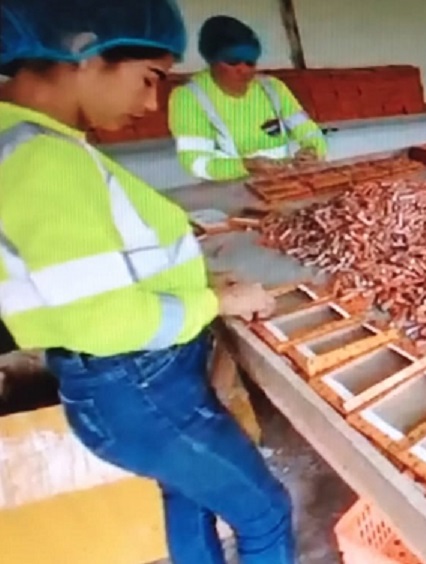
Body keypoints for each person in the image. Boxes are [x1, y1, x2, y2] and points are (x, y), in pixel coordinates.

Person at [0, 1, 296, 562]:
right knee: (266, 513)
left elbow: (97, 269)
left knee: (187, 496)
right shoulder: (41, 158)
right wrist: (215, 301)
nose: (149, 102)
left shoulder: (29, 141)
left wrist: (195, 280)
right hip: (138, 387)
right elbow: (105, 320)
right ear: (83, 53)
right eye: (148, 78)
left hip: (125, 384)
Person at [169, 15, 326, 182]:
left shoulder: (272, 88)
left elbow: (309, 131)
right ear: (212, 60)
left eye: (250, 62)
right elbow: (196, 162)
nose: (243, 70)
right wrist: (246, 165)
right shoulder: (188, 97)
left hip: (281, 184)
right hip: (229, 190)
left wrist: (312, 150)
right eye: (233, 61)